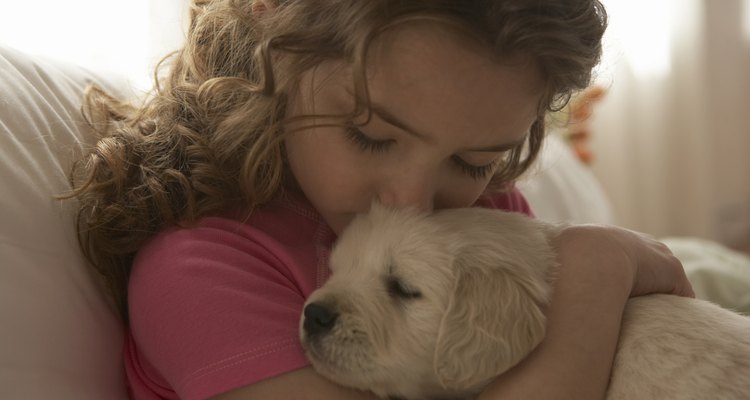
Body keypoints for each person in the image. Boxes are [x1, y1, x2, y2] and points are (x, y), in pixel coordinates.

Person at [66, 0, 695, 399]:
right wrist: (594, 270)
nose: (413, 199)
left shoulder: (487, 212)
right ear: (275, 22)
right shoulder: (201, 271)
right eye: (370, 136)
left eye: (473, 161)